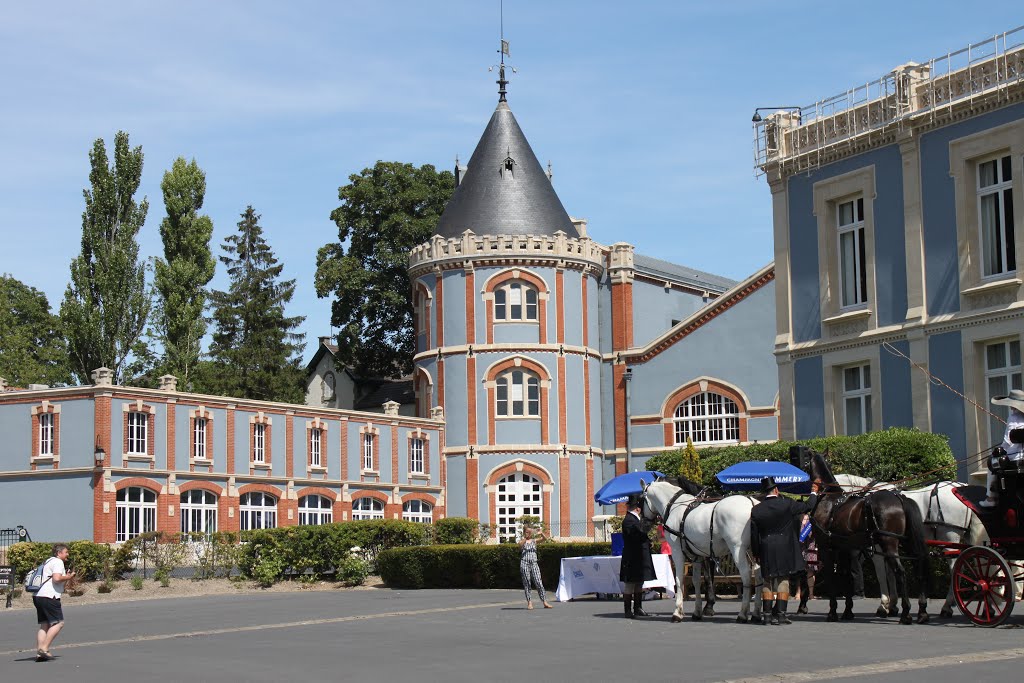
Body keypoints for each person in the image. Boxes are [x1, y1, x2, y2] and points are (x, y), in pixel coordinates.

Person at [750, 476, 819, 625]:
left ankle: (767, 615)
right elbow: (808, 506)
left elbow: (754, 535)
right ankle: (781, 614)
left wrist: (756, 553)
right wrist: (814, 492)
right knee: (783, 579)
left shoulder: (756, 510)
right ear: (776, 490)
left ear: (763, 493)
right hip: (785, 547)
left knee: (767, 580)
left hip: (766, 547)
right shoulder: (786, 504)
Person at [981, 389, 1024, 508]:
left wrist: (999, 449)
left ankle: (991, 498)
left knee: (992, 461)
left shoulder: (1013, 417)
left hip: (1014, 459)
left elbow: (1007, 442)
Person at [32, 543, 75, 661]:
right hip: (49, 596)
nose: (67, 554)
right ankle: (44, 648)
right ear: (59, 553)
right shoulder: (57, 562)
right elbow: (56, 579)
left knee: (44, 624)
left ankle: (40, 653)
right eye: (66, 552)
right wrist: (69, 577)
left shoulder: (48, 561)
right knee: (58, 623)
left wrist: (65, 577)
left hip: (38, 596)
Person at [620, 494, 656, 619]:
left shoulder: (635, 520)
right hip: (632, 557)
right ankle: (628, 610)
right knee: (630, 584)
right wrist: (649, 522)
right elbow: (639, 533)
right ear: (638, 509)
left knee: (639, 583)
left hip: (638, 557)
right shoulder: (629, 520)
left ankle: (638, 608)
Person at [518, 527, 552, 610]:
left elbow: (545, 539)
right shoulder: (522, 541)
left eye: (530, 532)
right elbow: (519, 546)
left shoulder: (534, 541)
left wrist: (541, 533)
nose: (528, 533)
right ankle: (529, 603)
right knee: (527, 583)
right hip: (524, 563)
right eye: (527, 532)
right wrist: (526, 537)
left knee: (538, 582)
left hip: (534, 563)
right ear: (524, 533)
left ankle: (544, 601)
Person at [795, 514, 818, 614]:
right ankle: (798, 593)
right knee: (800, 573)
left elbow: (812, 535)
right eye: (804, 518)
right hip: (801, 550)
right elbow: (799, 536)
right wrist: (802, 525)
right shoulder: (798, 525)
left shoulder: (812, 524)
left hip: (811, 550)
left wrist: (807, 526)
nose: (806, 520)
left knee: (810, 572)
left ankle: (811, 594)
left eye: (807, 518)